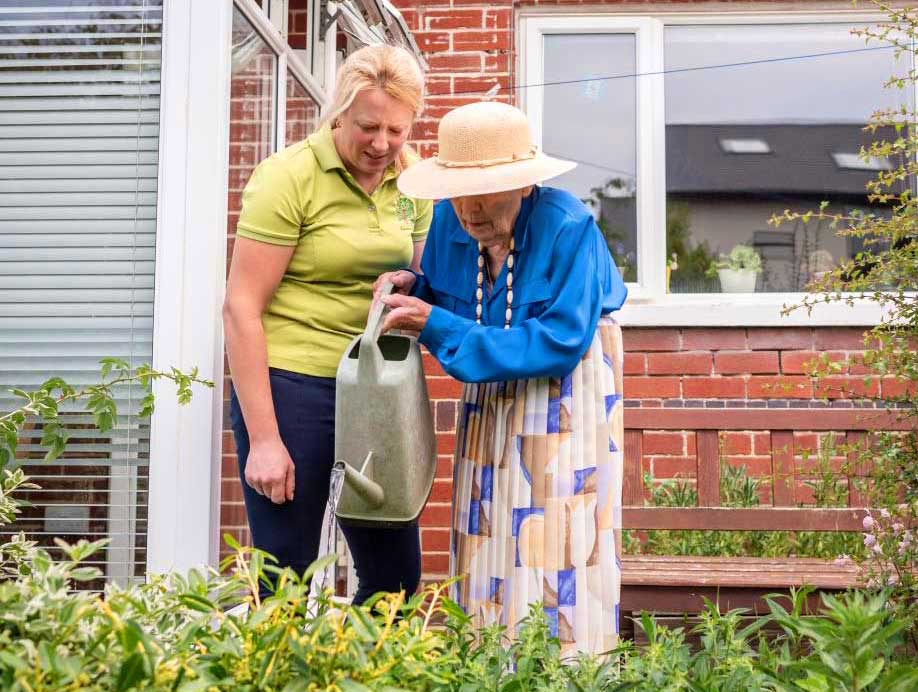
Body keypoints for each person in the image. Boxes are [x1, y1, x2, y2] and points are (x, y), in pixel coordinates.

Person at [374, 101, 628, 656]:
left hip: (564, 396)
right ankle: (487, 673)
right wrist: (411, 292)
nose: (469, 210)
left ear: (521, 184)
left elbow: (560, 341)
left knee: (554, 536)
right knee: (486, 532)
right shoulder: (449, 221)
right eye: (458, 192)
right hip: (490, 394)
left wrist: (437, 323)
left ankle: (567, 679)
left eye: (485, 192)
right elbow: (445, 298)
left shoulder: (569, 227)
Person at [222, 44, 432, 602]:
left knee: (395, 582)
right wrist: (264, 439)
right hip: (294, 388)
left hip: (376, 394)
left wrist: (416, 286)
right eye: (368, 126)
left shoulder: (412, 184)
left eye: (397, 130)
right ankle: (282, 689)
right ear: (339, 111)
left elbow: (424, 275)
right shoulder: (287, 177)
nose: (382, 144)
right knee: (287, 578)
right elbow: (240, 309)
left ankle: (358, 688)